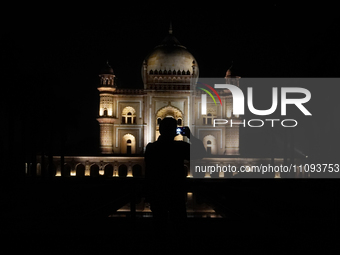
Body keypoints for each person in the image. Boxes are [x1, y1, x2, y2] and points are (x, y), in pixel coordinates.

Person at [144, 117, 206, 220]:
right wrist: (190, 136)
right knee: (178, 225)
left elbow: (148, 173)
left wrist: (149, 195)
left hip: (158, 194)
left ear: (160, 130)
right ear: (175, 132)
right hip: (176, 194)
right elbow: (201, 153)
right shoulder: (179, 147)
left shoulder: (151, 148)